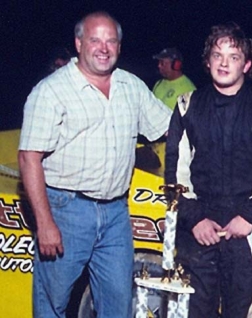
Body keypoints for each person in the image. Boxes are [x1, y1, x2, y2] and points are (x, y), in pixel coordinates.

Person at [18, 11, 172, 318]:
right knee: (52, 305)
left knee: (118, 305)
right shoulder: (51, 91)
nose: (103, 48)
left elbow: (171, 127)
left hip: (116, 213)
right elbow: (28, 157)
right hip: (66, 211)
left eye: (111, 40)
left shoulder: (131, 86)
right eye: (95, 40)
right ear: (78, 44)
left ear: (119, 46)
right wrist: (45, 223)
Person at [165, 22, 252, 318]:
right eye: (217, 54)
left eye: (233, 56)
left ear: (246, 64)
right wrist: (195, 219)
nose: (224, 63)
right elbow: (175, 171)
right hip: (199, 231)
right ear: (207, 60)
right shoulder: (187, 106)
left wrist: (250, 217)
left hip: (247, 232)